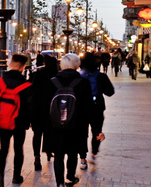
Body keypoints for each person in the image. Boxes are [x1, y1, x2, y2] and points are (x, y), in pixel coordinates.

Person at [44, 53, 93, 187]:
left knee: (58, 154)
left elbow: (44, 105)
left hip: (55, 125)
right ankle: (70, 178)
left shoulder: (51, 82)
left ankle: (59, 183)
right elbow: (89, 107)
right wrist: (93, 126)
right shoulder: (83, 82)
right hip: (77, 125)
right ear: (77, 65)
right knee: (73, 153)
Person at [0, 53, 33, 187]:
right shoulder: (27, 86)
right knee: (18, 148)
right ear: (23, 67)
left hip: (3, 121)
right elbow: (30, 107)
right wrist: (28, 122)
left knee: (3, 149)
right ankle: (16, 176)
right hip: (19, 122)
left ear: (10, 64)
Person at [79, 52, 114, 169]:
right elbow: (110, 92)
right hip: (96, 108)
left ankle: (82, 159)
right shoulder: (100, 76)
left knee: (82, 134)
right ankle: (93, 153)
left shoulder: (78, 75)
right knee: (97, 132)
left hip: (81, 109)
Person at [30, 54, 58, 171]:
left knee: (37, 134)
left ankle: (37, 157)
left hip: (37, 108)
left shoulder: (36, 74)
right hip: (52, 109)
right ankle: (49, 151)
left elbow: (31, 90)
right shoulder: (57, 75)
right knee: (50, 132)